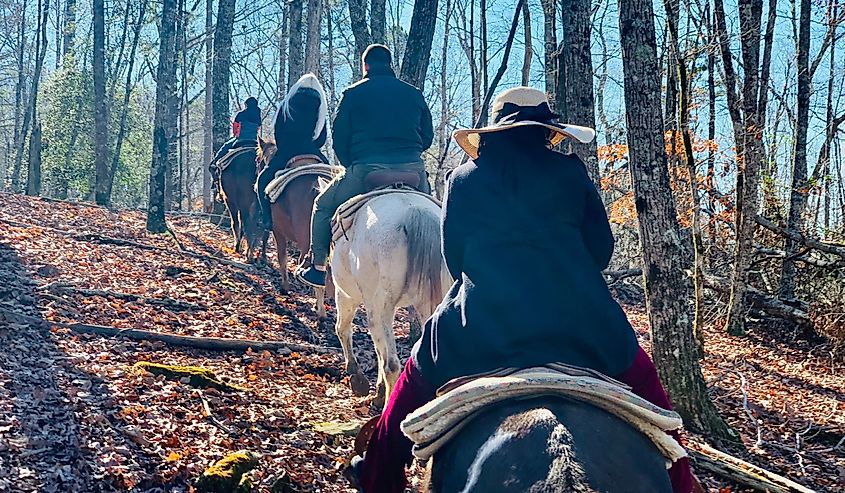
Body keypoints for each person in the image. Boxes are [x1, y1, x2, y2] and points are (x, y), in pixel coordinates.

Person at [344, 87, 699, 493]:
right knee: (659, 414)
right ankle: (685, 484)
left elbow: (454, 259)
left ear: (494, 132)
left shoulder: (461, 179)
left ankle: (376, 477)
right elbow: (601, 251)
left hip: (479, 328)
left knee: (402, 402)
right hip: (584, 327)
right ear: (546, 131)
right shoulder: (570, 172)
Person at [295, 44, 434, 288]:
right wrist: (410, 156)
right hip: (413, 171)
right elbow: (428, 137)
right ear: (391, 64)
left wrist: (353, 166)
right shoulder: (414, 93)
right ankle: (448, 267)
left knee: (323, 205)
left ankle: (317, 268)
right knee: (437, 215)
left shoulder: (353, 94)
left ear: (365, 66)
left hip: (368, 170)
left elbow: (339, 138)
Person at [256, 74, 328, 230]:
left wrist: (285, 147)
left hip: (287, 152)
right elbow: (321, 138)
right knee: (334, 181)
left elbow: (278, 134)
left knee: (262, 181)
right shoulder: (320, 106)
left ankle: (267, 219)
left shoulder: (287, 104)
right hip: (312, 150)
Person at [209, 97, 262, 198]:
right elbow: (258, 127)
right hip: (255, 141)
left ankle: (215, 176)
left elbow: (235, 129)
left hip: (240, 139)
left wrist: (237, 135)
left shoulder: (241, 114)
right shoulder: (257, 114)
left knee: (223, 149)